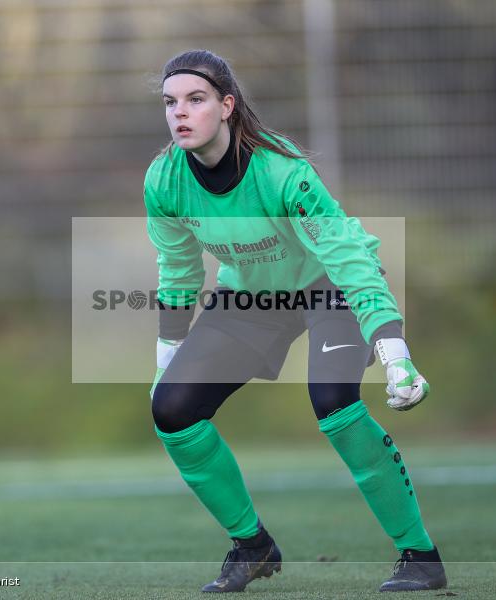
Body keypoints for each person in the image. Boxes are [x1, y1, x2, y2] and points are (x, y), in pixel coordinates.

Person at [144, 49, 447, 594]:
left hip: (327, 283)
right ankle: (252, 546)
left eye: (195, 99)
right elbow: (178, 266)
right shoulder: (164, 180)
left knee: (333, 401)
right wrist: (168, 352)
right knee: (172, 409)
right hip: (253, 295)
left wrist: (392, 347)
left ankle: (420, 555)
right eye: (170, 102)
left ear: (227, 106)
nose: (179, 113)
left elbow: (347, 251)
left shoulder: (282, 171)